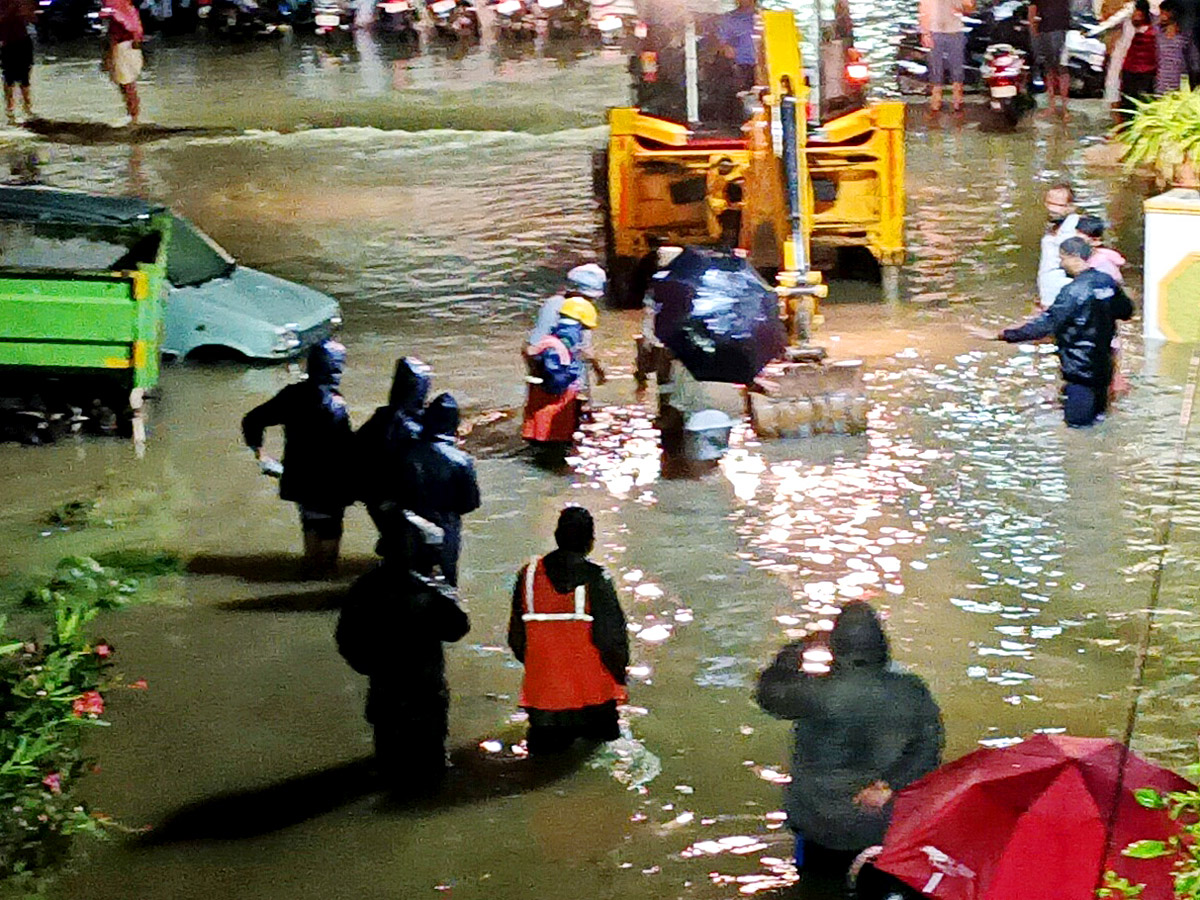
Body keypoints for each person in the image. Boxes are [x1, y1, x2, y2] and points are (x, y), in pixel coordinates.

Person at [755, 602, 943, 874]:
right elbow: (928, 748)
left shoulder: (813, 694)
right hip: (881, 824)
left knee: (815, 882)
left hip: (818, 824)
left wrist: (799, 647)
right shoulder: (913, 691)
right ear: (881, 645)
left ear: (836, 648)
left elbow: (768, 691)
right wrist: (889, 784)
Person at [336, 513, 470, 792]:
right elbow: (458, 628)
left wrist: (372, 667)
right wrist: (443, 587)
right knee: (431, 767)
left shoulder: (363, 589)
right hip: (426, 693)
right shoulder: (427, 590)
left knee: (388, 763)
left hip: (385, 692)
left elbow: (346, 641)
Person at [507, 506, 629, 755]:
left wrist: (546, 670)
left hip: (543, 707)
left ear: (557, 536)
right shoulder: (597, 579)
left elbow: (517, 640)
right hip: (595, 703)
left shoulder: (528, 576)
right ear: (590, 542)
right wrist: (620, 677)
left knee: (543, 762)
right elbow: (612, 642)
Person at [241, 339, 353, 577]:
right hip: (330, 482)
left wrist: (260, 453)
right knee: (331, 529)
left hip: (299, 478)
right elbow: (346, 448)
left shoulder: (291, 395)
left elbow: (253, 419)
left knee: (310, 524)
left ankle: (310, 571)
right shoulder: (336, 405)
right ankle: (324, 578)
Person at [996, 236, 1134, 428]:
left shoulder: (1072, 292)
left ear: (1074, 257)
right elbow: (1126, 312)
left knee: (1078, 429)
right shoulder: (1107, 282)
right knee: (1100, 421)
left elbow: (1045, 325)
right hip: (1103, 370)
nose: (1061, 265)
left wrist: (1004, 335)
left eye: (1062, 258)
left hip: (1080, 373)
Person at [355, 356, 431, 556]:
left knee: (394, 538)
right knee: (404, 544)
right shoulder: (413, 428)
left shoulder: (379, 419)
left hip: (376, 496)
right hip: (398, 498)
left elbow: (356, 450)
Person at [404, 392, 481, 586]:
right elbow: (470, 503)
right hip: (446, 528)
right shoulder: (461, 461)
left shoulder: (406, 453)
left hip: (409, 527)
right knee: (445, 583)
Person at [522, 296, 599, 447]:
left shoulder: (550, 336)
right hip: (560, 391)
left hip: (542, 386)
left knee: (536, 430)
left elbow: (529, 351)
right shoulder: (571, 337)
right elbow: (584, 356)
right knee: (557, 436)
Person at [528, 263, 608, 391]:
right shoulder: (583, 309)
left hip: (542, 376)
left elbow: (530, 348)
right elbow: (585, 350)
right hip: (571, 380)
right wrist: (599, 371)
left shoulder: (551, 303)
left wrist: (536, 374)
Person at [919, 0, 975, 114]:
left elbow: (970, 8)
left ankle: (957, 101)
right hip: (934, 31)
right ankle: (936, 101)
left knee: (957, 67)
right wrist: (925, 32)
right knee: (935, 67)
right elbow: (924, 9)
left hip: (955, 31)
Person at [100, 0, 144, 126]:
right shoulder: (127, 8)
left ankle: (134, 118)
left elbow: (122, 26)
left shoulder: (118, 8)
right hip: (125, 44)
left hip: (123, 45)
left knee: (127, 85)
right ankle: (133, 116)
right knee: (126, 85)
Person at [1037, 184, 1079, 309]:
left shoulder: (1073, 230)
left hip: (1061, 300)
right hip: (1049, 297)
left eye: (1058, 205)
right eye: (1049, 203)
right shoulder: (1055, 225)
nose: (1052, 208)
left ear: (1071, 207)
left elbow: (1078, 266)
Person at [1029, 0, 1073, 119]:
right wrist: (1033, 29)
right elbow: (1033, 9)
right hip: (1048, 29)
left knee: (1060, 68)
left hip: (1059, 30)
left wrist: (1033, 29)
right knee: (1051, 68)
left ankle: (1062, 107)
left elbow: (1032, 10)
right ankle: (1054, 106)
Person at [0, 0, 35, 125]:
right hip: (10, 42)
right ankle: (12, 110)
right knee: (10, 78)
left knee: (22, 77)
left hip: (20, 40)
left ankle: (25, 108)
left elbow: (32, 17)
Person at [1120, 0, 1159, 108]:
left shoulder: (1150, 30)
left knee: (1135, 98)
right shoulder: (1150, 28)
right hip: (1136, 67)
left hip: (1142, 69)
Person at [1156, 0, 1199, 93]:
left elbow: (1193, 60)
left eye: (1165, 13)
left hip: (1179, 82)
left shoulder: (1184, 36)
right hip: (1159, 82)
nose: (1162, 16)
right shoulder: (1156, 32)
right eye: (1161, 12)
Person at [717, 0, 758, 97]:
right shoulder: (729, 18)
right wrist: (725, 48)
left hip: (766, 66)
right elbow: (721, 42)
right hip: (742, 65)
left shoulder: (766, 16)